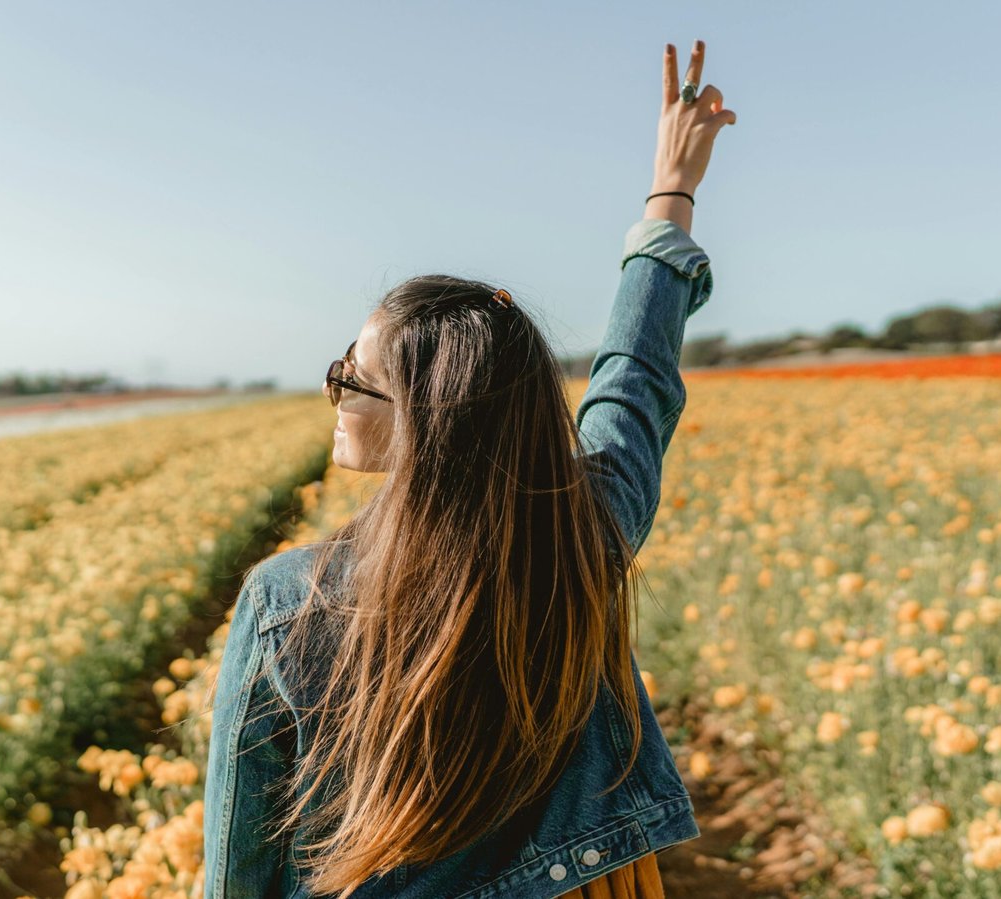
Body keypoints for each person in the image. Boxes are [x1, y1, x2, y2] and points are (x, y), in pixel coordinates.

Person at [203, 38, 738, 899]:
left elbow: (238, 870)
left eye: (357, 379)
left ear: (427, 421)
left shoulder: (287, 600)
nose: (335, 388)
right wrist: (670, 194)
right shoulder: (581, 538)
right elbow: (632, 386)